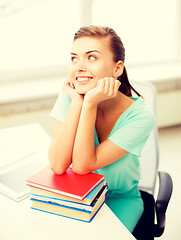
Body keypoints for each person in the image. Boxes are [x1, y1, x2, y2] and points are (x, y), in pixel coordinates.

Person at [48, 26, 155, 232]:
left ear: (117, 69)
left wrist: (89, 104)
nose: (79, 66)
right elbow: (58, 165)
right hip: (78, 195)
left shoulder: (141, 116)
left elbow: (82, 165)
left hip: (118, 199)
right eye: (74, 58)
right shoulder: (71, 96)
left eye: (92, 57)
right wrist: (78, 104)